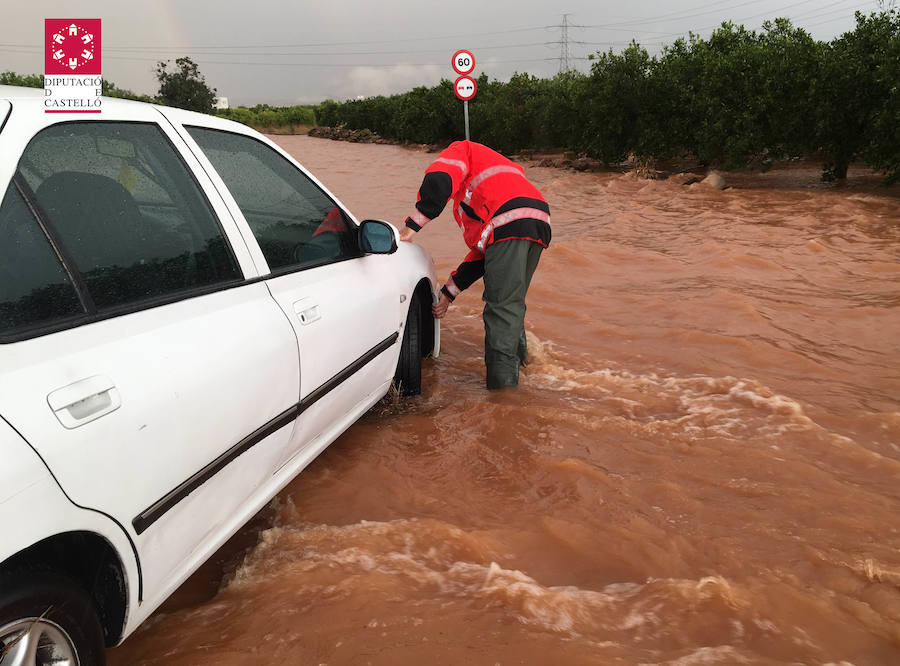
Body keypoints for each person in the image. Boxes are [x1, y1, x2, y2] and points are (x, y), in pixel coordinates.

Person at [398, 140, 551, 390]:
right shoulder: (495, 171)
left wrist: (412, 226)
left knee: (501, 309)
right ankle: (524, 367)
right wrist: (448, 294)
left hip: (507, 219)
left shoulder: (461, 149)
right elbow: (483, 257)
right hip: (539, 220)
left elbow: (439, 179)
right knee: (511, 301)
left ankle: (503, 396)